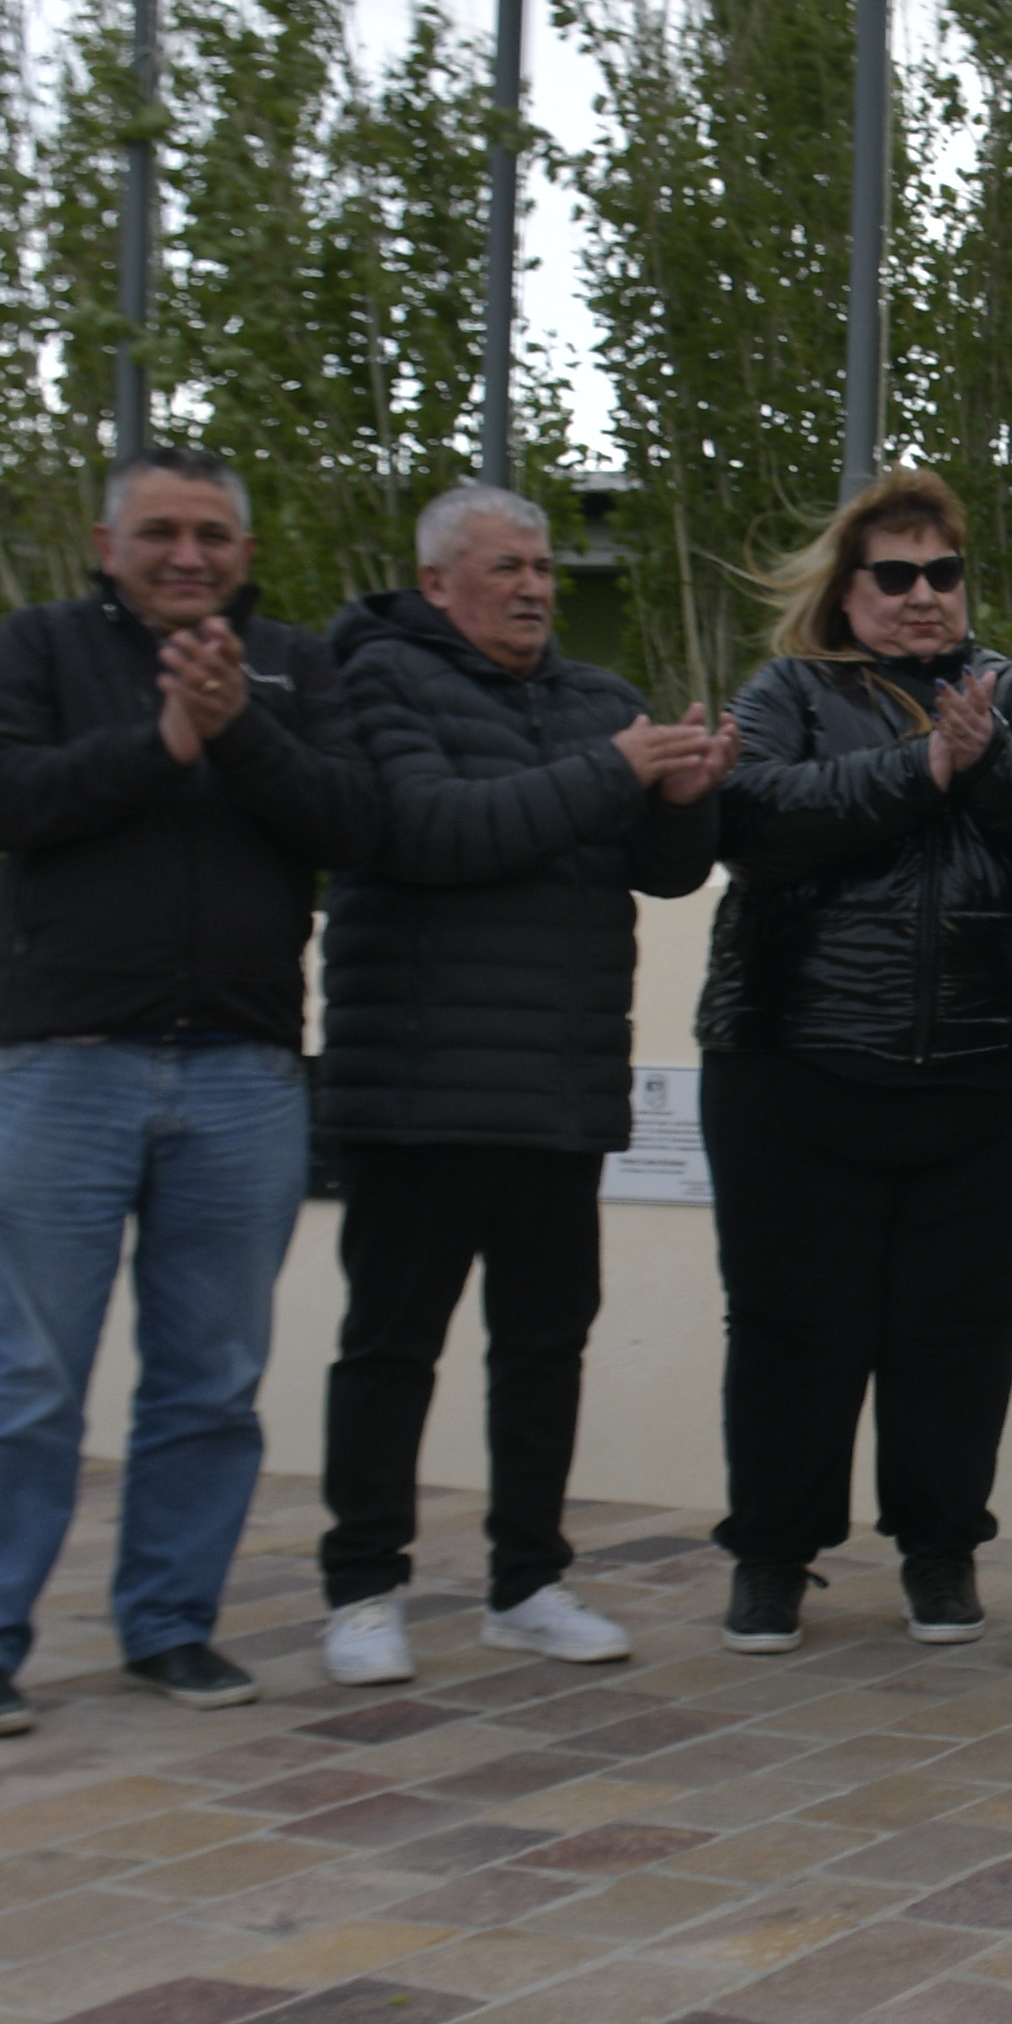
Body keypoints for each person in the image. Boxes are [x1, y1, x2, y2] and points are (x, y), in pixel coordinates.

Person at [0, 445, 381, 1737]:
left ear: (245, 547)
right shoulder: (40, 647)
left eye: (215, 534)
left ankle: (172, 1625)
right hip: (64, 1068)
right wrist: (161, 741)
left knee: (211, 1382)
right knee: (23, 1378)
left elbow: (352, 822)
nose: (191, 556)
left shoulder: (291, 662)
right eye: (163, 531)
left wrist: (238, 735)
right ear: (105, 542)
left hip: (240, 1074)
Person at [308, 483, 733, 1689]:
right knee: (391, 1349)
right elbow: (433, 830)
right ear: (438, 583)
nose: (537, 589)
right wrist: (616, 772)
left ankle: (528, 1582)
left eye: (543, 568)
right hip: (415, 1093)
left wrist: (686, 797)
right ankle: (363, 1589)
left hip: (557, 1093)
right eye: (506, 569)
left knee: (543, 1348)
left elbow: (659, 871)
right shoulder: (378, 679)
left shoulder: (598, 698)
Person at [696, 470, 1012, 1655]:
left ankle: (941, 1555)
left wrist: (988, 761)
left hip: (991, 1073)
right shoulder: (788, 690)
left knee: (963, 1327)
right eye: (895, 575)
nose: (923, 595)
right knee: (793, 1327)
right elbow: (753, 818)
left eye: (943, 573)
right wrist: (919, 770)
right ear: (847, 591)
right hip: (796, 1066)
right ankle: (772, 1562)